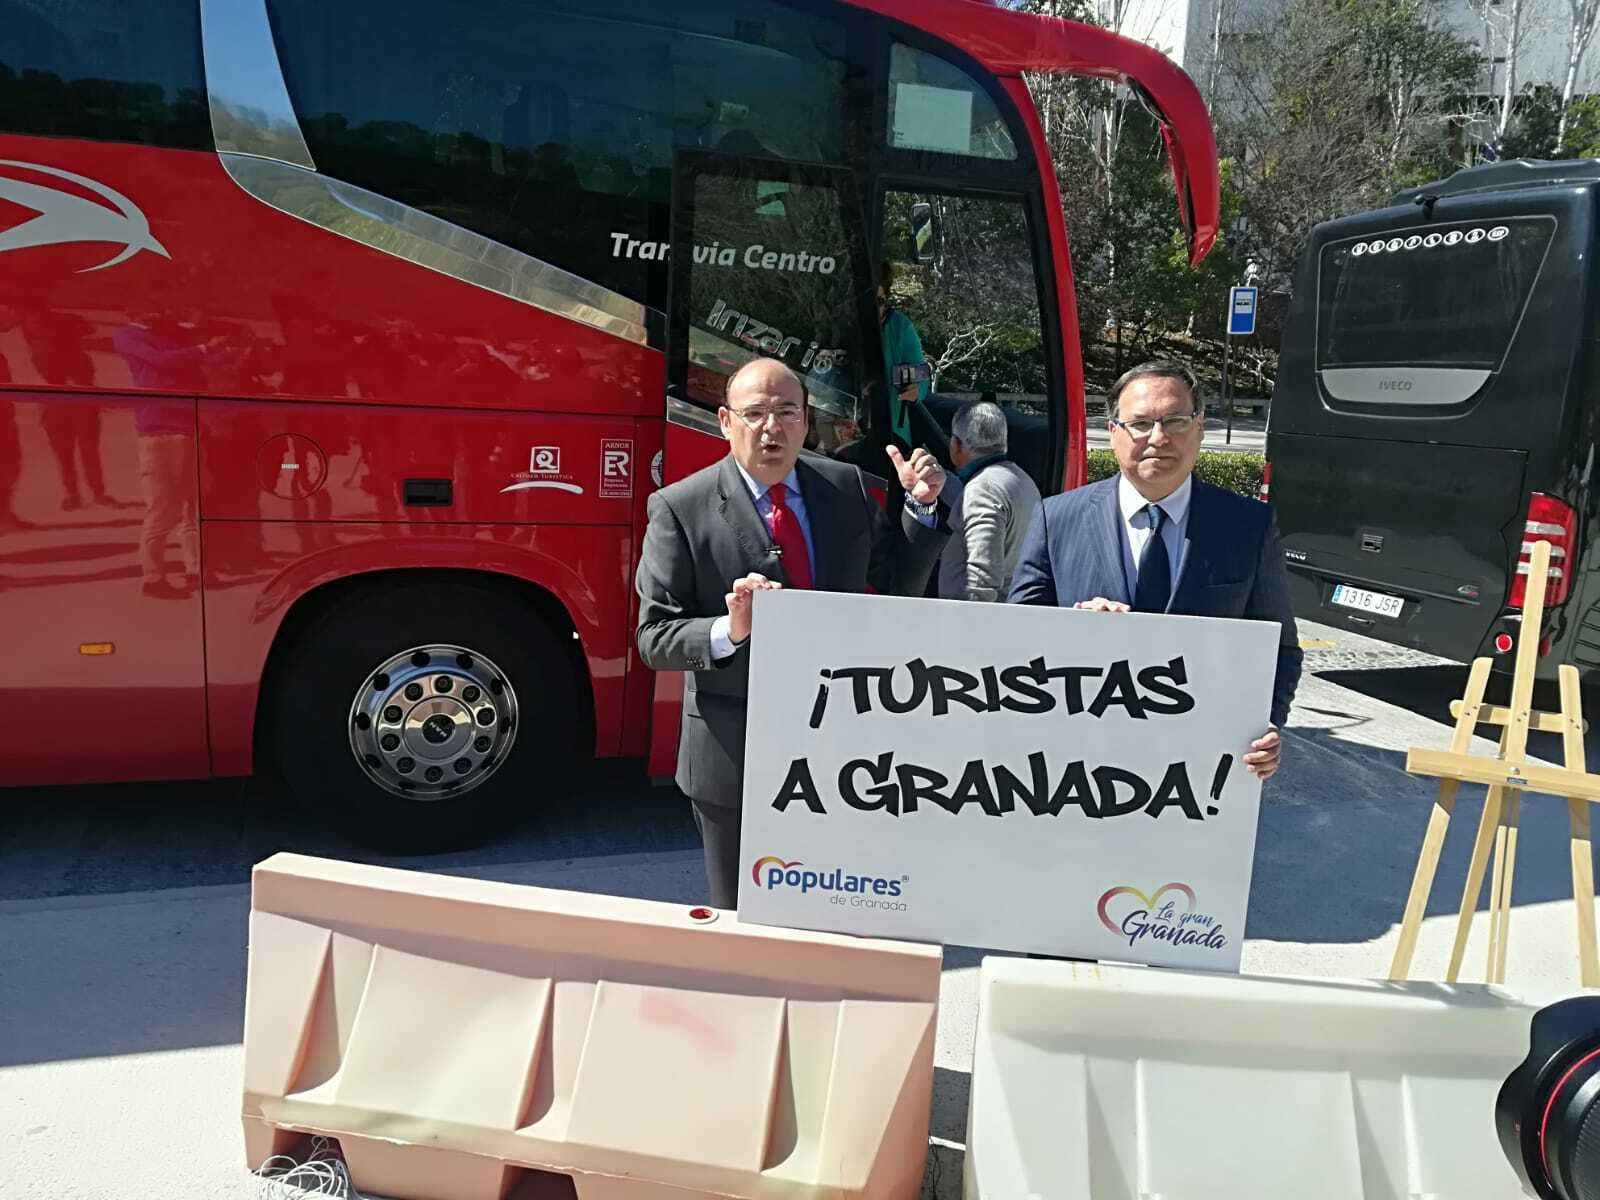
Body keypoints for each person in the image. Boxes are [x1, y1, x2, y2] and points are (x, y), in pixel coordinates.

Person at [636, 357, 949, 907]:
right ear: (724, 421)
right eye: (755, 413)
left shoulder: (846, 487)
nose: (771, 427)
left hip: (843, 748)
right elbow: (655, 637)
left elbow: (893, 586)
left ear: (807, 421)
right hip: (733, 752)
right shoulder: (679, 507)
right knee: (742, 926)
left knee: (834, 910)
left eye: (786, 412)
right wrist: (729, 630)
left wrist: (921, 510)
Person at [1008, 359, 1300, 781]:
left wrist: (1265, 726)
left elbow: (1281, 651)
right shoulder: (1057, 519)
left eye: (1176, 421)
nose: (1159, 438)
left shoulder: (1248, 526)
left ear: (1199, 428)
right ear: (1113, 434)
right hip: (1076, 766)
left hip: (1197, 774)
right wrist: (1071, 631)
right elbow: (1013, 642)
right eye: (1141, 424)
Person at [938, 399, 1041, 603]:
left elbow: (980, 582)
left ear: (957, 445)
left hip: (973, 619)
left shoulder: (982, 490)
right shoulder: (1020, 479)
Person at [878, 263, 929, 446]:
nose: (875, 308)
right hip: (846, 426)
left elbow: (922, 376)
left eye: (880, 302)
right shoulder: (843, 323)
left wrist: (916, 390)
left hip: (893, 432)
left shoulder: (901, 328)